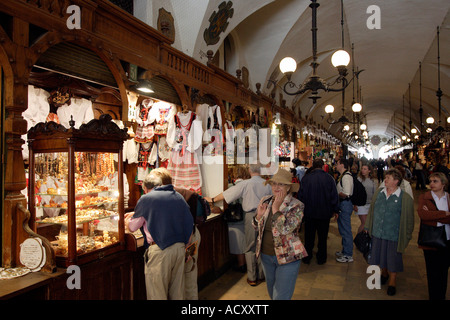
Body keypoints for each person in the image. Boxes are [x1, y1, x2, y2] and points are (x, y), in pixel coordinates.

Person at [125, 168, 194, 300]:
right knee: (177, 292)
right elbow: (188, 223)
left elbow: (133, 227)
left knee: (157, 293)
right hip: (179, 249)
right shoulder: (178, 196)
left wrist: (128, 220)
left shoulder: (146, 199)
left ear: (145, 187)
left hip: (160, 251)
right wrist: (187, 247)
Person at [204, 163, 272, 286]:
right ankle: (262, 275)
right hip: (266, 215)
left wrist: (213, 200)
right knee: (261, 244)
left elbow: (227, 194)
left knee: (250, 246)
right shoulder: (267, 184)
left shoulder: (246, 184)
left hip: (251, 216)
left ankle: (252, 277)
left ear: (250, 170)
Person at [253, 168, 307, 300]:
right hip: (266, 256)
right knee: (272, 293)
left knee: (281, 296)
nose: (276, 187)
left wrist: (276, 209)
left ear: (288, 187)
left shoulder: (297, 206)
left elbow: (286, 229)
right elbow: (256, 226)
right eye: (274, 183)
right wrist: (258, 217)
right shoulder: (266, 200)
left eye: (281, 184)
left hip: (288, 258)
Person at [365, 168, 415, 296]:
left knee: (392, 258)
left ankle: (392, 281)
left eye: (388, 178)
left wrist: (407, 236)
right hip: (378, 232)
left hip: (393, 234)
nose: (385, 180)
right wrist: (368, 226)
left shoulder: (405, 198)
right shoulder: (379, 193)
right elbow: (372, 211)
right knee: (379, 255)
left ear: (396, 181)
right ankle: (384, 273)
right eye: (385, 177)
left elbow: (409, 220)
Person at [297, 158, 339, 265]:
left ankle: (307, 257)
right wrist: (335, 209)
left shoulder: (306, 179)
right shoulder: (329, 179)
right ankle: (321, 258)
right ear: (322, 166)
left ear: (313, 165)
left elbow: (300, 196)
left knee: (309, 237)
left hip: (309, 212)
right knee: (322, 237)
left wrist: (301, 211)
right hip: (324, 213)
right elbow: (334, 195)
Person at [417, 172, 450, 300]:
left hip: (447, 239)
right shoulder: (425, 197)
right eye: (430, 181)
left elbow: (430, 216)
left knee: (443, 272)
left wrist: (434, 216)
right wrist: (444, 214)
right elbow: (423, 216)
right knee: (432, 272)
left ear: (443, 183)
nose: (431, 183)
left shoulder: (448, 198)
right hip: (430, 240)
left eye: (435, 181)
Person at [335, 158, 354, 263]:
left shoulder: (346, 177)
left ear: (342, 165)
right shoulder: (343, 176)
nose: (336, 166)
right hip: (343, 204)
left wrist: (336, 194)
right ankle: (345, 250)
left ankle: (348, 254)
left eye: (337, 163)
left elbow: (346, 193)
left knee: (346, 230)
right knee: (343, 229)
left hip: (345, 204)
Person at [354, 164, 377, 234]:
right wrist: (354, 204)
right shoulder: (359, 179)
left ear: (369, 171)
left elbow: (375, 193)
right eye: (362, 169)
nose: (363, 170)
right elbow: (355, 192)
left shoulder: (373, 180)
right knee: (364, 223)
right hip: (361, 204)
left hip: (370, 204)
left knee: (368, 223)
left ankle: (365, 239)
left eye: (365, 169)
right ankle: (359, 240)